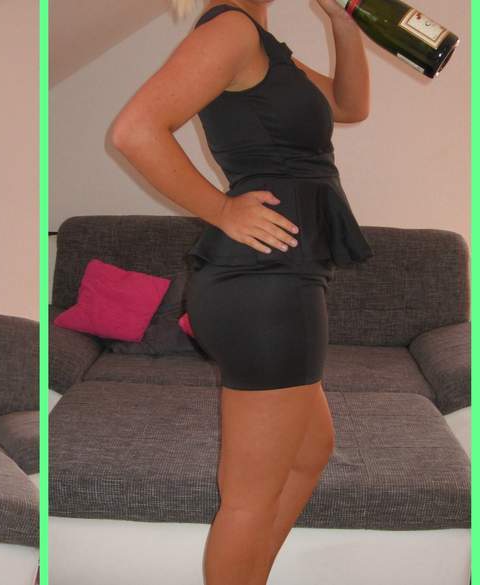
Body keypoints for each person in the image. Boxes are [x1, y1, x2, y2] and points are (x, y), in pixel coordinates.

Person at [111, 1, 371, 583]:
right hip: (265, 286)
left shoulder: (263, 45)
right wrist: (222, 209)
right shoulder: (231, 29)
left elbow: (350, 105)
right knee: (249, 497)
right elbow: (134, 130)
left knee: (311, 451)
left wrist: (343, 23)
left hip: (279, 278)